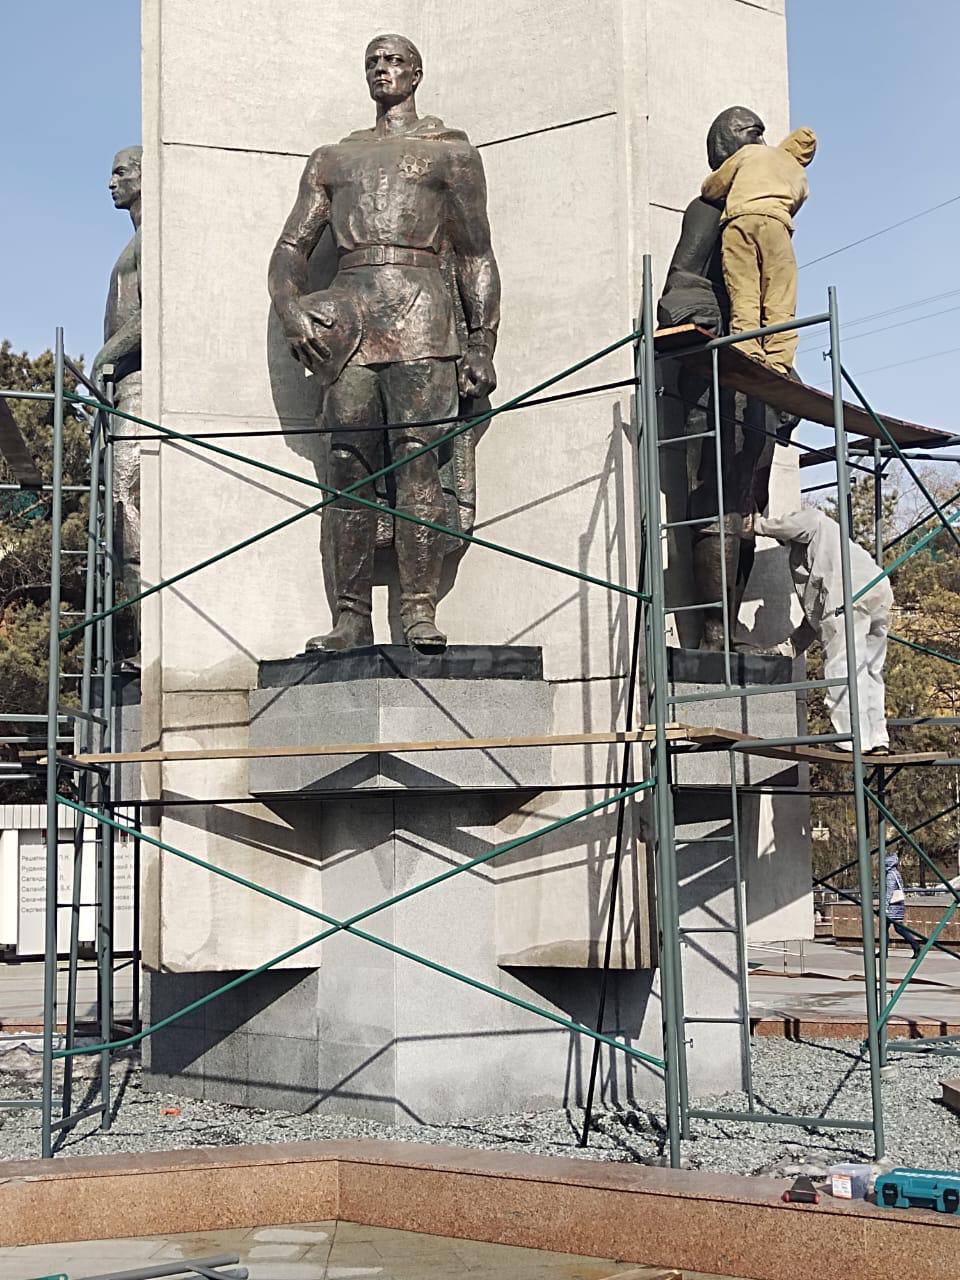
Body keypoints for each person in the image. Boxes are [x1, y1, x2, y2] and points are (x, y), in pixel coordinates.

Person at [269, 34, 500, 652]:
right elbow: (292, 248)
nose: (382, 69)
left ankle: (418, 610)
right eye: (372, 60)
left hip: (423, 310)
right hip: (347, 316)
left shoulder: (450, 153)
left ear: (417, 73)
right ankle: (350, 618)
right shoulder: (332, 159)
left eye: (394, 60)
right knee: (346, 466)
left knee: (417, 461)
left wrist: (483, 342)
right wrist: (291, 310)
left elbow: (477, 254)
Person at [748, 507, 893, 754]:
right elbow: (816, 618)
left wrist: (757, 525)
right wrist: (787, 649)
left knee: (843, 666)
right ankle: (877, 738)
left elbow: (824, 612)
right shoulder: (831, 547)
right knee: (870, 669)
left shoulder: (814, 521)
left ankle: (851, 740)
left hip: (848, 594)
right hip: (877, 591)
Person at [700, 125, 817, 374]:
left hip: (740, 221)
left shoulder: (752, 152)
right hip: (777, 227)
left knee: (744, 289)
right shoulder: (800, 177)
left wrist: (714, 192)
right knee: (780, 297)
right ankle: (778, 361)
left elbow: (715, 184)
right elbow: (792, 207)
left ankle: (746, 348)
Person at [93, 146, 143, 663]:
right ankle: (132, 638)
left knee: (130, 506)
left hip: (140, 388)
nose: (111, 181)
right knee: (119, 512)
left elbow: (151, 316)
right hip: (123, 389)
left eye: (121, 171)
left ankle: (144, 638)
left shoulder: (151, 242)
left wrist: (103, 357)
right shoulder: (132, 244)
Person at [883, 852, 920, 957]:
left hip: (892, 906)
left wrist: (885, 906)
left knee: (886, 928)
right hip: (898, 904)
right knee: (897, 928)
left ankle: (915, 946)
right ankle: (915, 946)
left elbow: (889, 891)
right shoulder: (896, 873)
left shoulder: (890, 875)